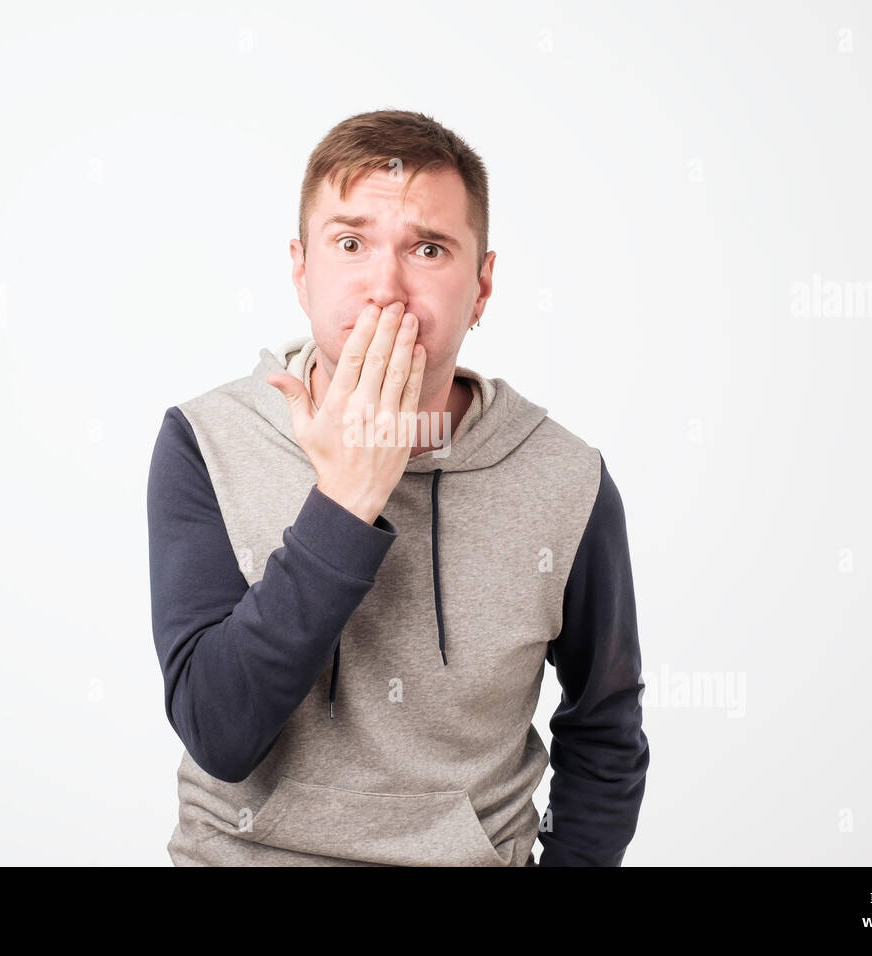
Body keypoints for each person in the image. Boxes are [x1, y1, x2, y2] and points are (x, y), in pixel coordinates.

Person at [147, 109, 649, 866]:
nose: (386, 286)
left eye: (428, 248)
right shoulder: (207, 440)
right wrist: (347, 501)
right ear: (301, 269)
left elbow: (606, 726)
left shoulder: (567, 478)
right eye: (350, 243)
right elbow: (220, 732)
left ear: (481, 288)